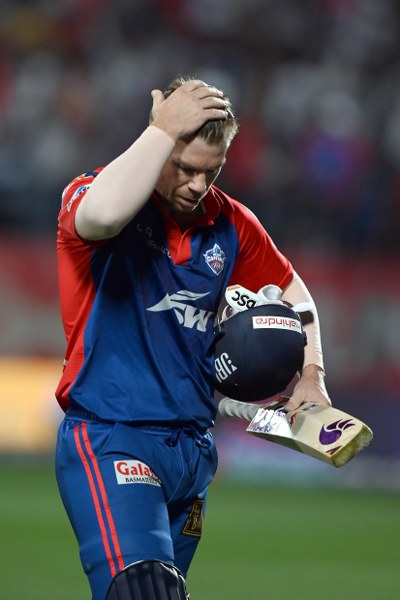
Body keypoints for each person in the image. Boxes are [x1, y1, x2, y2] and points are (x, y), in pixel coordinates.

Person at [55, 76, 331, 600]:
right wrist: (162, 129)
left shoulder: (232, 223)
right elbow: (103, 217)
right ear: (158, 139)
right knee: (144, 589)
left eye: (212, 170)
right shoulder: (93, 192)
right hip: (113, 437)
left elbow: (297, 298)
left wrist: (312, 376)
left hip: (192, 455)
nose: (197, 185)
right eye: (184, 167)